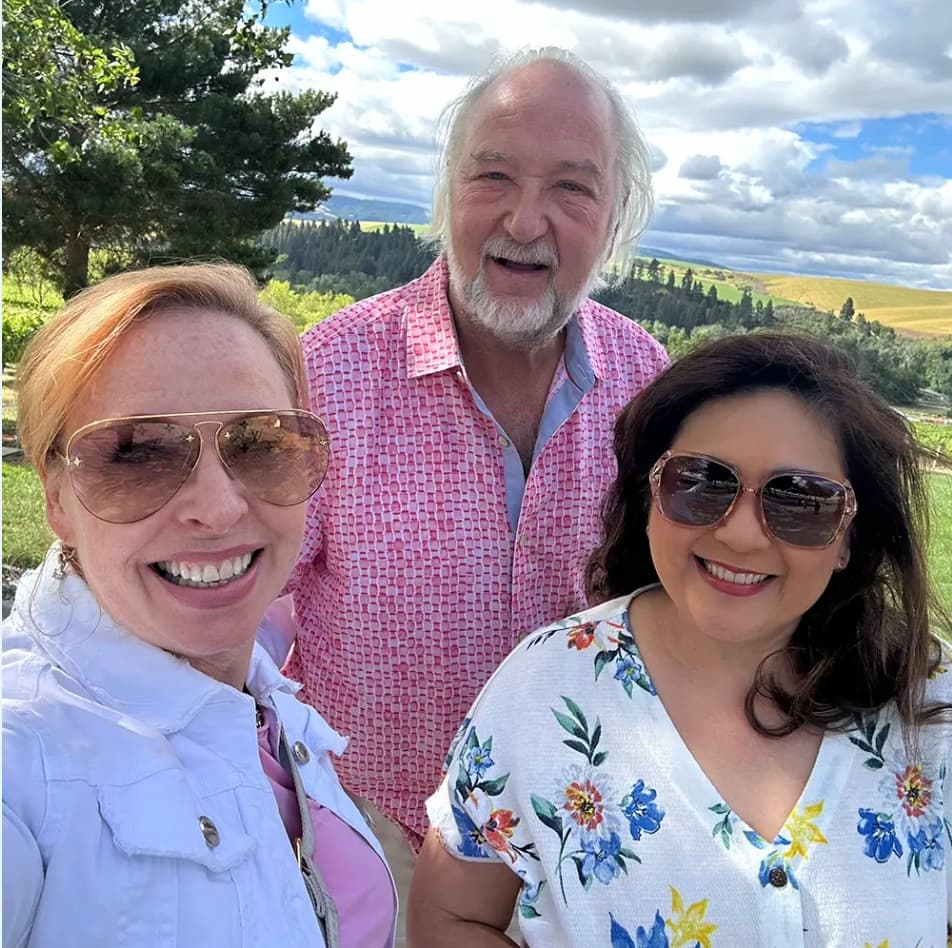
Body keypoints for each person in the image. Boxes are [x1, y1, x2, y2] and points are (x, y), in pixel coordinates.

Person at [285, 47, 668, 937]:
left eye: (573, 188)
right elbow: (234, 599)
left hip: (580, 843)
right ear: (447, 195)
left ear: (614, 219)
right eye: (492, 174)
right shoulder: (328, 373)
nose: (525, 219)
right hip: (372, 836)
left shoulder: (650, 381)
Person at [410, 332, 952, 947]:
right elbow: (452, 916)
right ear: (649, 497)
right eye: (700, 481)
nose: (742, 535)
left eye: (801, 500)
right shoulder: (541, 693)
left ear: (850, 537)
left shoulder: (930, 704)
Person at [2, 263, 397, 948]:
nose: (217, 509)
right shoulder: (22, 758)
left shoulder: (266, 703)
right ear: (57, 498)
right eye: (137, 455)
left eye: (262, 444)